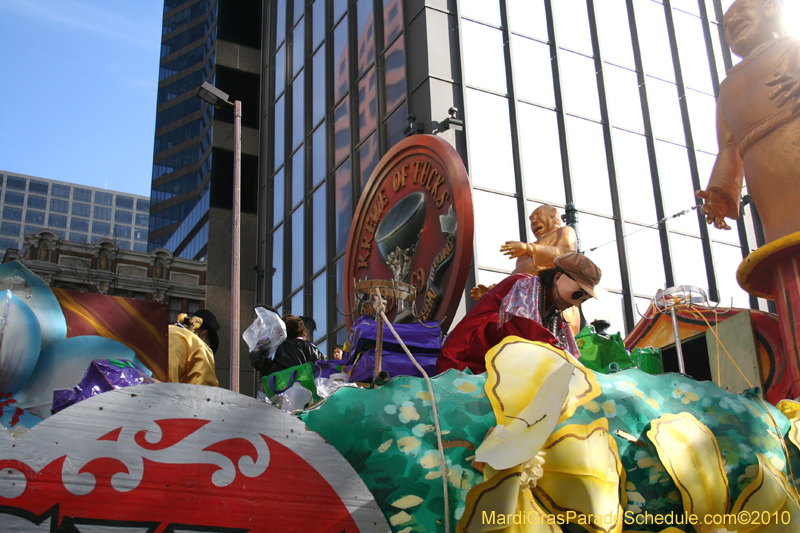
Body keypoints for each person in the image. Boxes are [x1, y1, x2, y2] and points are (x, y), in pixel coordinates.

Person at [696, 0, 800, 244]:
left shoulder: (793, 48)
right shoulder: (728, 88)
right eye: (724, 25)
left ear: (771, 7)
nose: (732, 23)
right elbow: (729, 147)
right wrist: (719, 192)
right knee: (784, 242)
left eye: (742, 10)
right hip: (767, 185)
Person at [436, 252, 601, 375]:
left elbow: (567, 353)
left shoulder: (554, 314)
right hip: (462, 367)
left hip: (493, 375)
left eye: (583, 299)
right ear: (557, 277)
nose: (575, 303)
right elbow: (525, 330)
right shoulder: (523, 286)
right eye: (577, 294)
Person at [471, 205, 577, 301]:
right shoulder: (524, 255)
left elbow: (565, 255)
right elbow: (517, 280)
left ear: (553, 214)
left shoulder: (565, 231)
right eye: (531, 219)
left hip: (550, 298)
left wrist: (528, 249)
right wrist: (493, 292)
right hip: (526, 301)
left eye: (538, 215)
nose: (534, 221)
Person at [250, 314, 325, 376]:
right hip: (308, 391)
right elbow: (324, 367)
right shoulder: (310, 348)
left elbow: (262, 365)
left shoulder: (283, 346)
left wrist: (259, 348)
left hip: (285, 390)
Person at [168, 309, 220, 386]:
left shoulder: (166, 329)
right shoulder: (199, 346)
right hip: (162, 392)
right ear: (203, 334)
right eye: (208, 344)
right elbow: (202, 390)